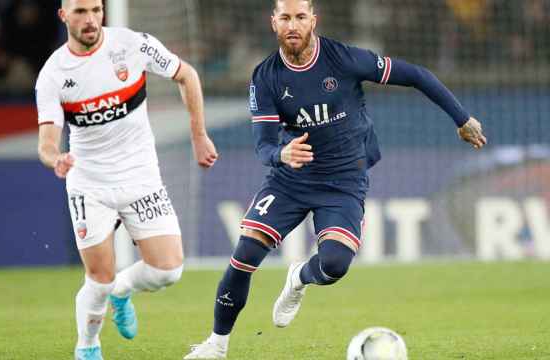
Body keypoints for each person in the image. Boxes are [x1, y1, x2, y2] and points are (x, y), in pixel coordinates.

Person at [184, 0, 486, 359]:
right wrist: (281, 154)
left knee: (335, 265)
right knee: (245, 253)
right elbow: (263, 145)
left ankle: (299, 278)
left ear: (314, 19)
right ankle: (216, 346)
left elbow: (416, 75)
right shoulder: (265, 77)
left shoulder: (343, 59)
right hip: (291, 180)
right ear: (273, 23)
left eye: (299, 17)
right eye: (285, 18)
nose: (292, 25)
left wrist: (461, 118)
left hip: (343, 181)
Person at [35, 1, 218, 359]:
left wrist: (199, 135)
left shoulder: (133, 44)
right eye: (79, 12)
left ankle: (123, 291)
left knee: (168, 271)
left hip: (141, 177)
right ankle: (87, 347)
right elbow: (46, 141)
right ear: (63, 16)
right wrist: (55, 157)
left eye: (95, 10)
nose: (90, 20)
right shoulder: (53, 74)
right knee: (98, 278)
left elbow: (187, 75)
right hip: (90, 183)